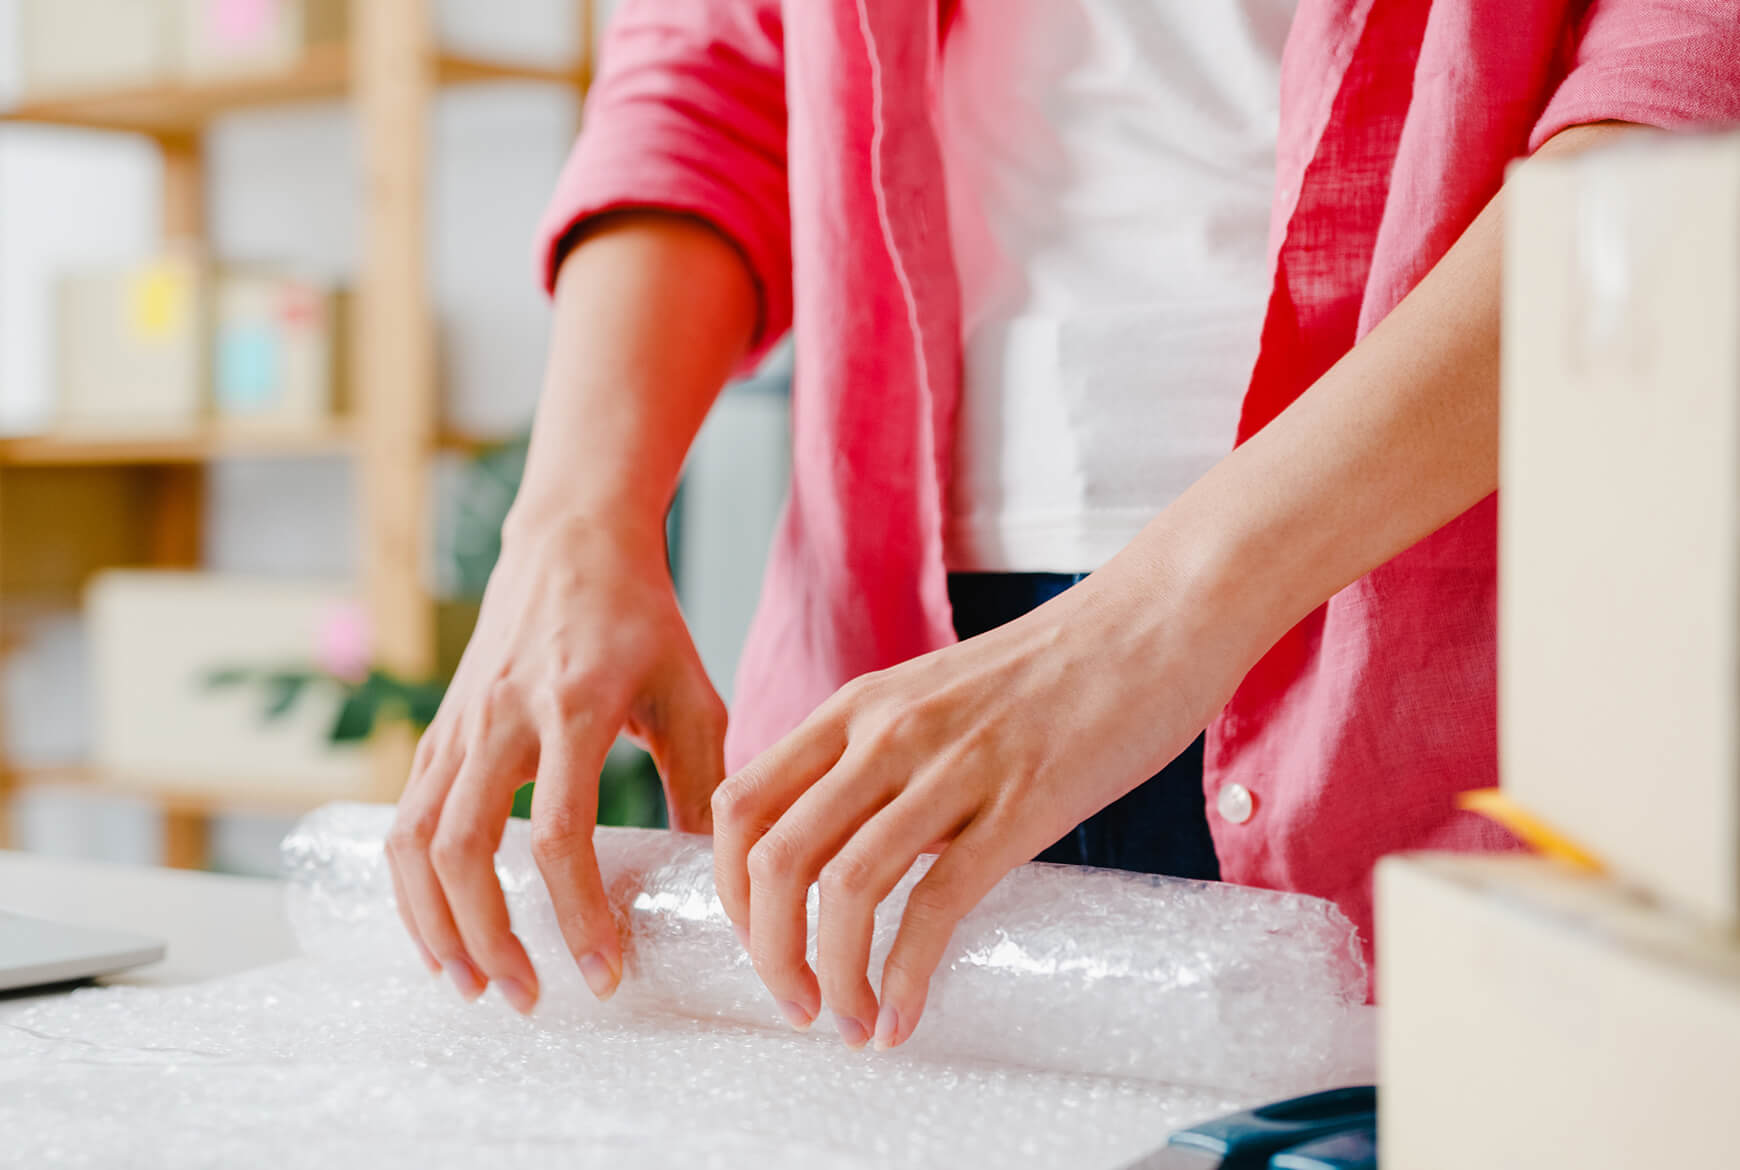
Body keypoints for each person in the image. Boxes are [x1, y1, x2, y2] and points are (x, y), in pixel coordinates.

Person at [386, 0, 1740, 1052]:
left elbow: (1682, 116)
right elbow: (715, 68)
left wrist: (1148, 626)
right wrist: (569, 517)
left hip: (1428, 627)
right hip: (893, 672)